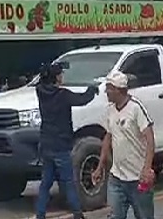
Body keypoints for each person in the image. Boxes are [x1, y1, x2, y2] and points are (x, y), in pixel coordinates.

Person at [35, 63, 99, 219]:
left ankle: (40, 214)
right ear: (57, 77)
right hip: (61, 145)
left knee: (45, 183)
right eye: (61, 74)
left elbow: (40, 82)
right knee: (68, 182)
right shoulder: (62, 95)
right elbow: (83, 99)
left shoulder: (40, 92)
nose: (63, 76)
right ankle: (78, 214)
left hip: (46, 144)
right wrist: (92, 89)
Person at [92, 71, 156, 219]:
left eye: (109, 88)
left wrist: (147, 169)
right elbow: (108, 138)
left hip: (138, 178)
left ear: (119, 90)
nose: (106, 92)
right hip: (117, 178)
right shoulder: (110, 110)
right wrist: (100, 167)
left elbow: (150, 139)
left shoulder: (135, 108)